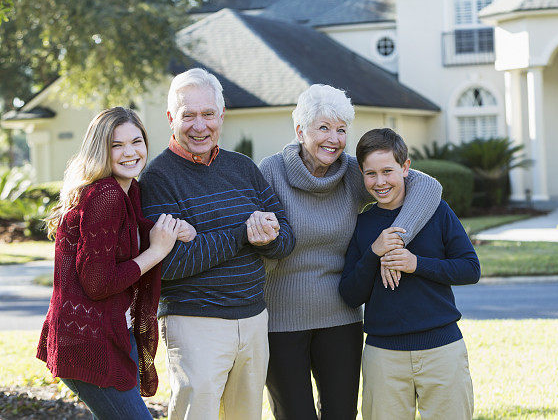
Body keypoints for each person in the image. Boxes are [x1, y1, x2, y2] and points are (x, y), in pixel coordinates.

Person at [257, 84, 442, 420]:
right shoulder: (271, 172)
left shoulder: (352, 173)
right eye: (324, 127)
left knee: (341, 414)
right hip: (281, 321)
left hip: (341, 318)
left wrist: (396, 238)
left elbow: (428, 185)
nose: (334, 138)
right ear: (300, 131)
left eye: (341, 129)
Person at [139, 68, 295, 420]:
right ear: (170, 119)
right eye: (188, 115)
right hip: (195, 323)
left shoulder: (243, 167)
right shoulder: (157, 179)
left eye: (208, 114)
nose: (199, 126)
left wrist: (267, 238)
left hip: (254, 318)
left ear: (221, 116)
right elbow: (171, 263)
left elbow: (285, 237)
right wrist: (243, 233)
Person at [37, 107, 193, 419]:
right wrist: (157, 251)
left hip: (110, 336)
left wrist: (169, 229)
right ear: (100, 150)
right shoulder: (105, 195)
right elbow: (98, 283)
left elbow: (124, 234)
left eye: (137, 141)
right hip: (90, 343)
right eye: (116, 145)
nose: (130, 152)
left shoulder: (127, 190)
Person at [339, 127, 481, 420]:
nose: (380, 182)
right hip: (384, 355)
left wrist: (416, 263)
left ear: (405, 168)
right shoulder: (363, 225)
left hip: (442, 348)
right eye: (370, 174)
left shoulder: (437, 211)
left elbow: (470, 268)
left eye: (388, 171)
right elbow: (350, 295)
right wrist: (373, 253)